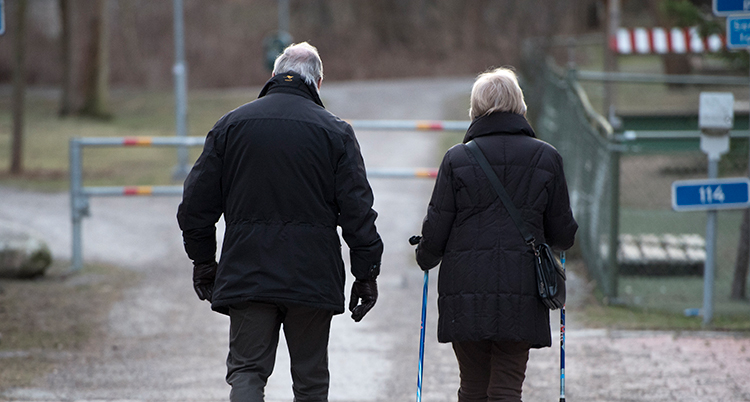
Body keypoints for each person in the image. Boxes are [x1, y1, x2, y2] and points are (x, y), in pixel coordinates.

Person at [177, 42, 383, 402]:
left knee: (247, 371)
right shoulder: (336, 133)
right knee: (310, 381)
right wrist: (365, 274)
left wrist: (204, 262)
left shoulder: (230, 126)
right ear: (318, 84)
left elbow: (195, 206)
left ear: (272, 77)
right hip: (312, 276)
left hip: (247, 271)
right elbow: (358, 213)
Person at [414, 67, 578, 402]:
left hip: (465, 289)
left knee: (472, 386)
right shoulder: (547, 157)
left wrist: (425, 256)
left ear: (475, 109)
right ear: (520, 105)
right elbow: (563, 235)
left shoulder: (457, 159)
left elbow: (437, 227)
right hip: (522, 288)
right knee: (506, 387)